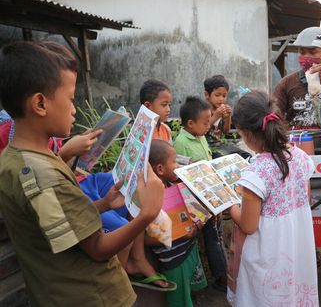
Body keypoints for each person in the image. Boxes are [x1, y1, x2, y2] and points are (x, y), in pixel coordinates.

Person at [0, 41, 164, 306]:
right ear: (40, 104)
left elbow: (62, 219)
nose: (74, 108)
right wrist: (146, 216)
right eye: (70, 98)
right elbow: (98, 249)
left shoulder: (14, 158)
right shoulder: (43, 176)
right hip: (92, 296)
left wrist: (104, 203)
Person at [227, 90, 318, 306]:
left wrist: (230, 204)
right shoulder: (301, 157)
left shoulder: (256, 173)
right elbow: (304, 197)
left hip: (268, 254)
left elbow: (249, 226)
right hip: (296, 247)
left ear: (247, 134)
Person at [173, 96, 228, 292]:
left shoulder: (200, 135)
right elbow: (180, 174)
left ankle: (222, 273)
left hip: (212, 194)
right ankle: (222, 277)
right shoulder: (181, 142)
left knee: (217, 234)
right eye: (205, 123)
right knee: (211, 236)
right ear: (190, 123)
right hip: (196, 200)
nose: (208, 126)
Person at [146, 139, 207, 307]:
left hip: (189, 248)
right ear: (160, 169)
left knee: (190, 290)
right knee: (179, 300)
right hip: (174, 261)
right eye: (174, 161)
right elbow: (146, 239)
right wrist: (178, 234)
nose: (179, 165)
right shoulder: (149, 199)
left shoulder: (173, 185)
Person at [203, 75, 252, 159]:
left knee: (245, 155)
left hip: (220, 143)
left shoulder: (221, 109)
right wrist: (216, 116)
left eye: (224, 96)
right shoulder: (203, 110)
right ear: (207, 95)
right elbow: (203, 129)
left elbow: (225, 131)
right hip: (207, 145)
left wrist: (228, 116)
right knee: (223, 158)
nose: (221, 99)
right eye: (217, 95)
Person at [140, 79, 173, 143]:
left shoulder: (166, 129)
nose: (168, 109)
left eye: (169, 105)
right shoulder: (140, 133)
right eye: (164, 105)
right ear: (147, 106)